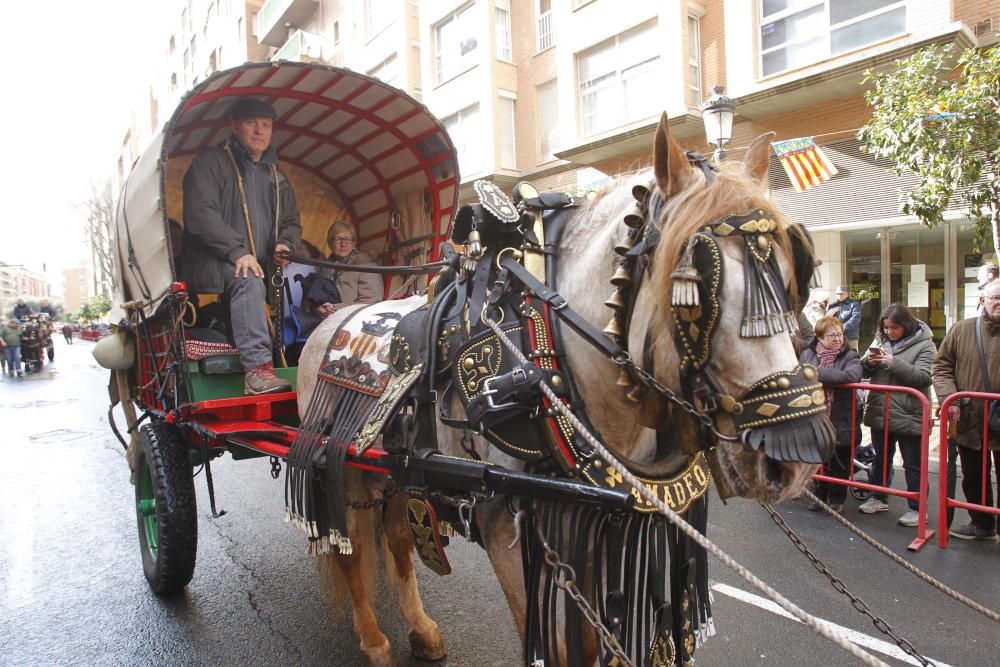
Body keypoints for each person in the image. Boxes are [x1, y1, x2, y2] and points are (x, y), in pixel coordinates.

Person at [182, 97, 302, 395]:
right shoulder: (210, 162)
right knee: (247, 277)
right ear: (234, 125)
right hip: (212, 262)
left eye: (266, 125)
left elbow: (292, 222)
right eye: (251, 123)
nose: (259, 131)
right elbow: (200, 214)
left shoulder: (277, 177)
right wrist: (237, 251)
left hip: (261, 266)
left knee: (293, 292)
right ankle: (257, 372)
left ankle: (301, 363)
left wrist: (286, 244)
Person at [932, 279, 1000, 540]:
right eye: (995, 298)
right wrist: (951, 399)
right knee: (973, 474)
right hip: (970, 417)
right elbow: (941, 367)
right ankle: (981, 523)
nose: (999, 303)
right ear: (983, 300)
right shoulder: (962, 330)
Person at [858, 304, 937, 526]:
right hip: (880, 409)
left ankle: (917, 508)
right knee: (881, 458)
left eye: (894, 328)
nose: (890, 332)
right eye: (886, 328)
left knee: (913, 463)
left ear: (906, 325)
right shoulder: (880, 340)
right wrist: (869, 362)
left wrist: (893, 363)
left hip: (908, 411)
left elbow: (923, 377)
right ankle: (878, 497)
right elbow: (862, 369)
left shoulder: (925, 345)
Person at [800, 316, 862, 512]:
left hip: (840, 416)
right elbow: (798, 374)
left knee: (839, 460)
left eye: (839, 334)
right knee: (816, 460)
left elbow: (849, 376)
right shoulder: (808, 354)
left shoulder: (850, 355)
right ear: (819, 337)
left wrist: (815, 374)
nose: (837, 338)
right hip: (814, 416)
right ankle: (819, 496)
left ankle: (837, 500)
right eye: (831, 335)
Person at [297, 221, 383, 334]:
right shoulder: (325, 267)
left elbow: (372, 302)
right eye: (338, 239)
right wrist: (317, 309)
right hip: (322, 320)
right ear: (329, 243)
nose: (343, 244)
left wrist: (335, 308)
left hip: (352, 323)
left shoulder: (365, 266)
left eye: (348, 239)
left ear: (354, 243)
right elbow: (312, 298)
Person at [826, 286, 862, 350]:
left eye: (842, 293)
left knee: (852, 356)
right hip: (835, 337)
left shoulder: (854, 304)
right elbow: (827, 319)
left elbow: (856, 318)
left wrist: (843, 327)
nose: (839, 295)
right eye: (838, 294)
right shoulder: (832, 305)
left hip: (850, 336)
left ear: (847, 294)